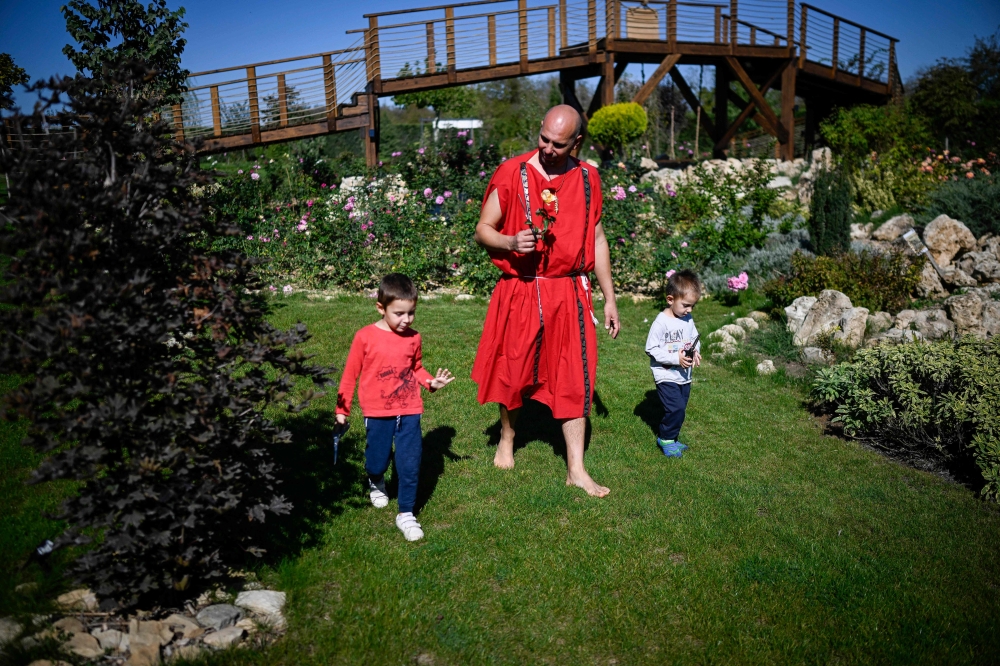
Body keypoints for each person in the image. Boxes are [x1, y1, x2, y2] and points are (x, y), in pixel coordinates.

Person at [471, 104, 620, 498]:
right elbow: (482, 230)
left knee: (576, 377)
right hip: (522, 286)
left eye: (559, 143)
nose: (549, 148)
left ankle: (577, 468)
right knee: (514, 370)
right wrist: (508, 241)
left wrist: (609, 297)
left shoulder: (589, 179)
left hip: (570, 291)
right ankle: (507, 436)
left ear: (577, 142)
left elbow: (598, 239)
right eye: (544, 139)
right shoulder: (512, 173)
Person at [336, 273, 455, 541]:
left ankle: (406, 513)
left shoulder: (413, 338)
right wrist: (342, 411)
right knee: (376, 458)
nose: (406, 320)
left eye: (411, 313)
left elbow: (416, 368)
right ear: (381, 307)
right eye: (399, 313)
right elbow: (349, 375)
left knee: (410, 462)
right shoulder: (364, 337)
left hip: (410, 408)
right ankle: (376, 479)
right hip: (377, 412)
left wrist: (430, 383)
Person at [644, 270, 702, 457]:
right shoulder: (661, 323)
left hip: (684, 376)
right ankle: (666, 439)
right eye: (686, 305)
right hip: (666, 374)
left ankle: (673, 438)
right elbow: (651, 349)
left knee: (681, 407)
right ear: (670, 299)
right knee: (675, 407)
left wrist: (696, 351)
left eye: (692, 306)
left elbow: (694, 337)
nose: (689, 310)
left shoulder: (687, 319)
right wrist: (675, 358)